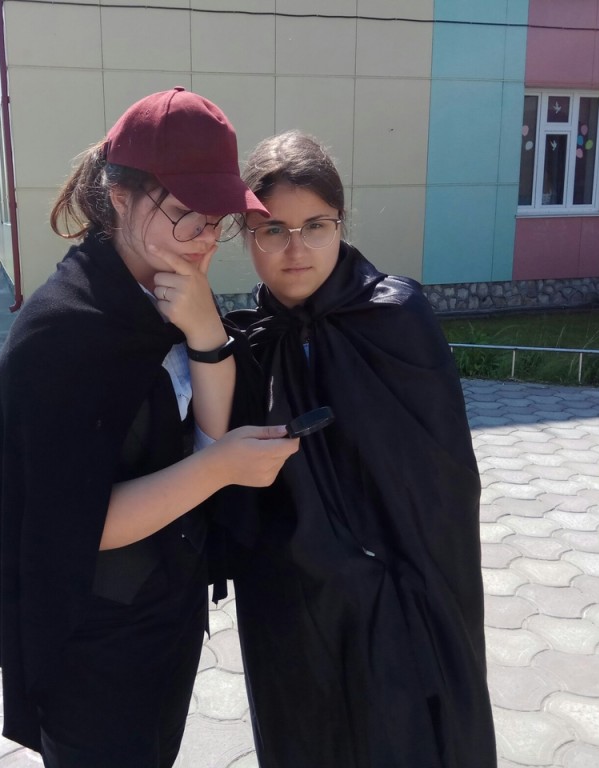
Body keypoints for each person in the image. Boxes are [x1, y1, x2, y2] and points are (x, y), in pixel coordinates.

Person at [0, 88, 299, 768]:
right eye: (186, 214)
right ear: (119, 199)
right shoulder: (64, 333)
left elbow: (209, 431)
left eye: (217, 220)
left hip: (165, 613)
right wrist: (221, 468)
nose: (205, 239)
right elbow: (80, 524)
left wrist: (207, 334)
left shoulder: (165, 296)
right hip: (91, 644)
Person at [226, 131, 497, 767]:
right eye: (273, 230)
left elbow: (441, 485)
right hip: (292, 602)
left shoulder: (396, 316)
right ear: (246, 235)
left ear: (340, 225)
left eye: (316, 226)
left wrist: (387, 582)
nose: (297, 249)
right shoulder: (249, 340)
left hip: (399, 599)